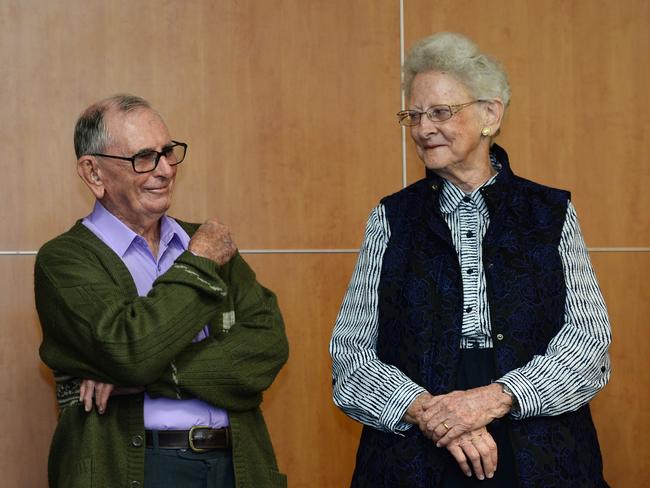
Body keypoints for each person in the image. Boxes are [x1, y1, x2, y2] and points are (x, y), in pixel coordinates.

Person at [330, 32, 612, 487]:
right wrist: (429, 413)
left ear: (490, 114)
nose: (423, 129)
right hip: (415, 454)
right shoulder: (391, 217)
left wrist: (496, 398)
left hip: (536, 446)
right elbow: (351, 356)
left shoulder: (549, 211)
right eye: (414, 115)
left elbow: (588, 342)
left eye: (440, 112)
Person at [35, 94, 289, 488]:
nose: (166, 169)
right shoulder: (64, 261)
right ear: (93, 173)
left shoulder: (206, 242)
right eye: (144, 158)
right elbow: (131, 352)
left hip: (235, 467)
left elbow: (266, 349)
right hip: (138, 468)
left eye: (168, 152)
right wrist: (199, 263)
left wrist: (150, 376)